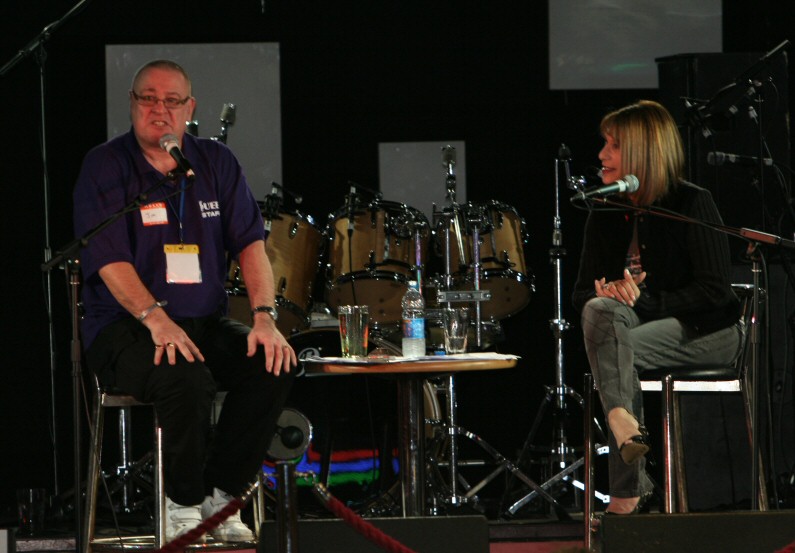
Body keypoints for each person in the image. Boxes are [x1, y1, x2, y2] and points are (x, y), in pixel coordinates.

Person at [73, 59, 297, 542]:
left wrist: (264, 317)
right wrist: (155, 318)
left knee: (272, 363)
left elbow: (251, 246)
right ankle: (183, 502)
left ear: (189, 108)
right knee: (185, 374)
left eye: (172, 101)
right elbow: (109, 261)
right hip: (124, 327)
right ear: (132, 104)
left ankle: (223, 497)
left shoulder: (215, 162)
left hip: (201, 322)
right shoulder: (105, 165)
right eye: (148, 99)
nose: (160, 110)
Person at [572, 100, 743, 515]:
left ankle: (626, 485)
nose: (601, 155)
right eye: (604, 144)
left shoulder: (690, 202)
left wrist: (645, 300)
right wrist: (606, 292)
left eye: (614, 145)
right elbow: (580, 296)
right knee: (598, 312)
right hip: (634, 328)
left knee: (616, 350)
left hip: (708, 330)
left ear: (642, 151)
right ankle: (624, 431)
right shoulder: (606, 210)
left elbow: (714, 291)